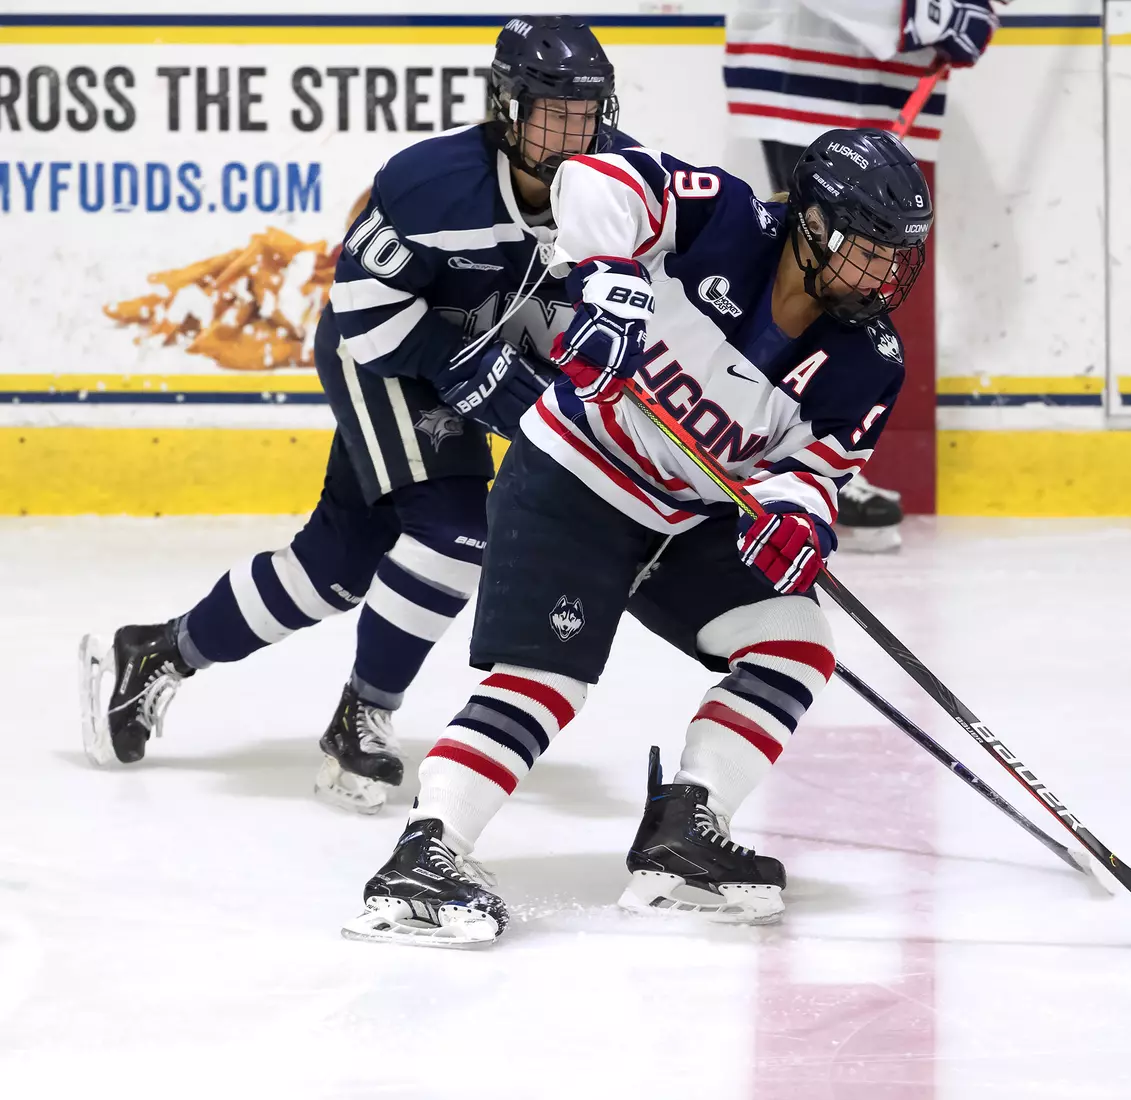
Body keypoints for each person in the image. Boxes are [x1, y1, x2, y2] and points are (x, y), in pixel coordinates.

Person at [340, 125, 933, 946]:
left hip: (686, 516)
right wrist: (613, 281)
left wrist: (799, 516)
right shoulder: (722, 219)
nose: (886, 274)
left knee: (795, 640)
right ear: (812, 221)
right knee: (546, 679)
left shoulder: (869, 360)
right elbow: (591, 178)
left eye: (899, 256)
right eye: (869, 248)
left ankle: (685, 831)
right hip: (572, 481)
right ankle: (425, 853)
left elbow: (814, 467)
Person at [77, 16, 636, 815]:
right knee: (455, 535)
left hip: (468, 359)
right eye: (552, 113)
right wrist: (473, 372)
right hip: (382, 352)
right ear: (506, 109)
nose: (572, 135)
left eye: (586, 115)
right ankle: (363, 716)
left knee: (335, 567)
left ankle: (158, 652)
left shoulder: (622, 185)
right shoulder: (433, 182)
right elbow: (362, 313)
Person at [723, 0, 997, 551]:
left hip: (867, 74)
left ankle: (811, 458)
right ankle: (784, 454)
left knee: (842, 277)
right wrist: (925, 12)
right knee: (819, 266)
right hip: (810, 61)